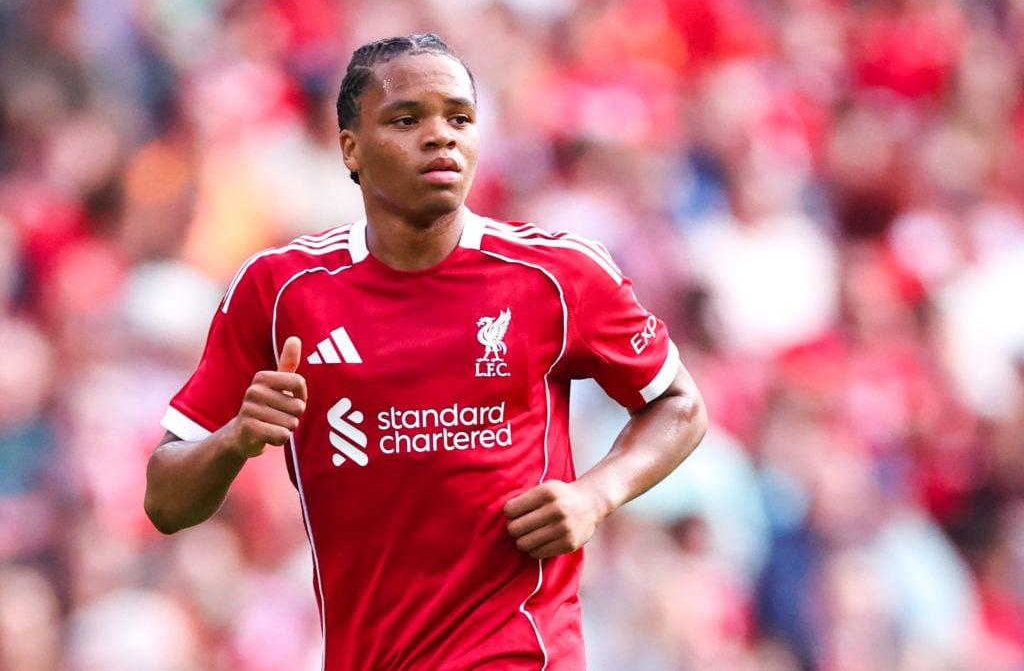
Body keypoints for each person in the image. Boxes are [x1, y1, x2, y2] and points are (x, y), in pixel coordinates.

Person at [144, 33, 708, 671]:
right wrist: (236, 441)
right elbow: (165, 501)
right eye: (407, 119)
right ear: (350, 149)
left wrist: (595, 496)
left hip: (521, 651)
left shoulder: (556, 274)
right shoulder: (280, 291)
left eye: (460, 117)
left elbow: (679, 405)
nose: (442, 136)